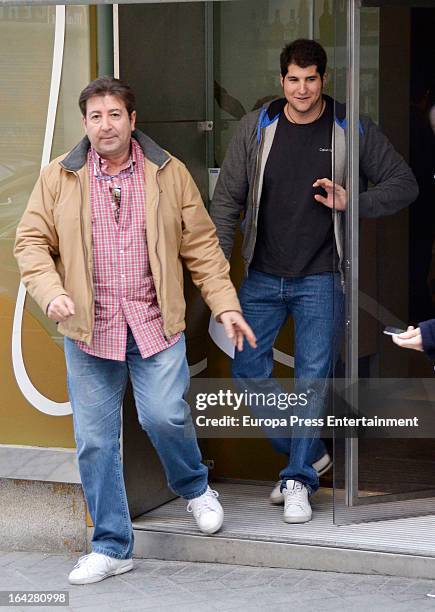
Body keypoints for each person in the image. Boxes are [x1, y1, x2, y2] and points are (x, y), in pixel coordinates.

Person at [14, 77, 256, 585]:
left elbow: (203, 248)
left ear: (132, 119)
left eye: (115, 115)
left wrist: (224, 305)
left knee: (165, 416)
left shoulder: (169, 174)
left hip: (154, 322)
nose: (106, 125)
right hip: (89, 329)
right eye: (96, 116)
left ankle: (194, 488)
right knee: (96, 443)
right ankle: (110, 546)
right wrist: (51, 290)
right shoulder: (59, 176)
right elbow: (31, 242)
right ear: (85, 123)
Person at [209, 39, 418, 524]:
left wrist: (352, 203)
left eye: (311, 79)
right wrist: (219, 274)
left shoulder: (350, 126)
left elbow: (403, 184)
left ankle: (298, 478)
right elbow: (226, 204)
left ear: (323, 79)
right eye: (293, 79)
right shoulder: (257, 127)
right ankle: (306, 454)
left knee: (311, 381)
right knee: (247, 369)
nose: (302, 89)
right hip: (261, 275)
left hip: (322, 278)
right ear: (281, 81)